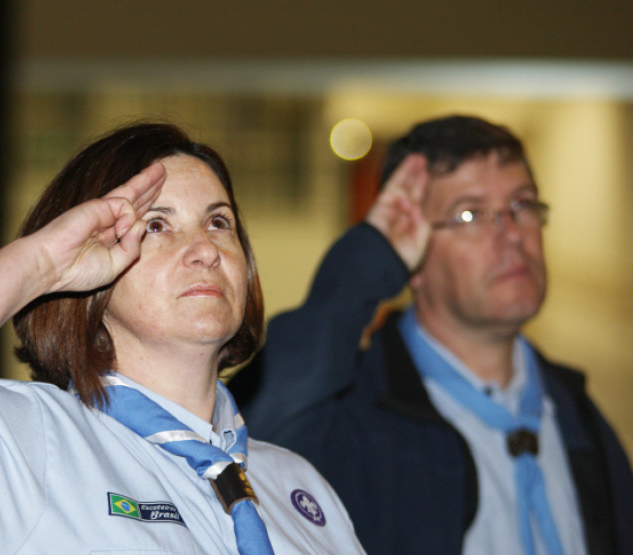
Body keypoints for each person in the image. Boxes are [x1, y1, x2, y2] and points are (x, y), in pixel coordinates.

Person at [0, 122, 365, 554]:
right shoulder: (26, 442)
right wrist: (38, 266)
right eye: (156, 225)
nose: (205, 249)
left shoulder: (297, 483)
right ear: (88, 265)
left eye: (219, 222)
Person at [229, 115, 633, 555]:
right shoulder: (357, 413)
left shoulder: (577, 413)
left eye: (522, 204)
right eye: (471, 214)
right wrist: (371, 256)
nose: (512, 235)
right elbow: (253, 431)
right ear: (412, 251)